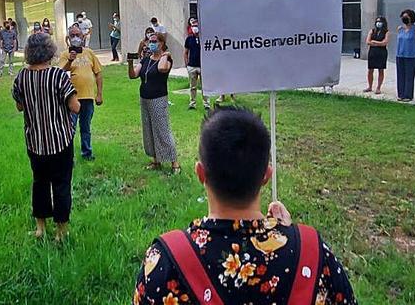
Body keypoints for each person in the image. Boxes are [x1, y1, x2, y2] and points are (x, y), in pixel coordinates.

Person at [133, 107, 356, 305]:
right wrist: (293, 240)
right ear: (266, 176)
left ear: (201, 173)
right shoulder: (314, 256)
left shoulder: (164, 262)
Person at [12, 33, 80, 241]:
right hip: (60, 141)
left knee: (40, 183)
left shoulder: (21, 77)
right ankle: (61, 231)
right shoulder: (58, 76)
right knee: (61, 184)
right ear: (49, 51)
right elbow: (75, 107)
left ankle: (40, 228)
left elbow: (19, 106)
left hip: (35, 142)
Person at [129, 33, 179, 173]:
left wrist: (164, 54)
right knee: (149, 130)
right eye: (150, 41)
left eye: (154, 41)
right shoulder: (145, 60)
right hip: (144, 98)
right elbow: (133, 75)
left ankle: (174, 162)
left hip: (158, 98)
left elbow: (162, 69)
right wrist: (129, 63)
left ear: (161, 43)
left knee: (162, 130)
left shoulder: (166, 59)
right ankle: (156, 160)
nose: (151, 43)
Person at [62, 25, 103, 161]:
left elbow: (98, 74)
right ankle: (69, 156)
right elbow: (60, 72)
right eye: (72, 35)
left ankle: (87, 153)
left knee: (86, 127)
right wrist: (70, 60)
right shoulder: (65, 54)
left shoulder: (89, 53)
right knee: (70, 128)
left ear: (82, 36)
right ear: (68, 38)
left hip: (88, 97)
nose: (75, 38)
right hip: (71, 97)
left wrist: (99, 94)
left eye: (78, 35)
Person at [395, 9, 415, 102]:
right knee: (400, 75)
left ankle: (408, 95)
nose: (404, 19)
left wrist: (413, 48)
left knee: (409, 75)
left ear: (411, 18)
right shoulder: (400, 28)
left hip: (411, 55)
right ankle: (401, 94)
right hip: (400, 54)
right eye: (403, 17)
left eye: (406, 17)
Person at [183, 18, 210, 110]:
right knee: (192, 87)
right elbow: (186, 52)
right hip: (192, 66)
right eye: (193, 26)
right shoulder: (189, 39)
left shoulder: (204, 38)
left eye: (196, 26)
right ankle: (192, 103)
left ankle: (206, 104)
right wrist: (186, 64)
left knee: (205, 87)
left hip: (203, 66)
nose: (195, 27)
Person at [365, 16, 390, 94]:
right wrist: (379, 43)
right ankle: (370, 86)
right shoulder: (372, 31)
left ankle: (378, 88)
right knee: (370, 70)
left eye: (380, 22)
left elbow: (385, 42)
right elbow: (368, 41)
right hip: (372, 52)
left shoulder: (387, 32)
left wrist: (375, 42)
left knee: (381, 70)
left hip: (381, 52)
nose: (378, 23)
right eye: (377, 21)